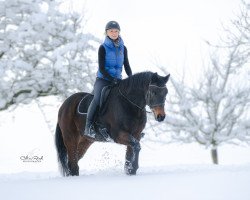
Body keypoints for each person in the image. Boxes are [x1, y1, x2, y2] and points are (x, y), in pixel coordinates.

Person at [83, 20, 132, 138]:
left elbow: (126, 65)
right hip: (103, 79)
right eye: (111, 31)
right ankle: (88, 126)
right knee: (98, 98)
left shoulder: (123, 48)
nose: (114, 33)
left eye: (116, 31)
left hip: (118, 80)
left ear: (119, 32)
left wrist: (131, 78)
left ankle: (131, 127)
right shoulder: (103, 48)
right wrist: (111, 78)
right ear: (107, 33)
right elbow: (101, 67)